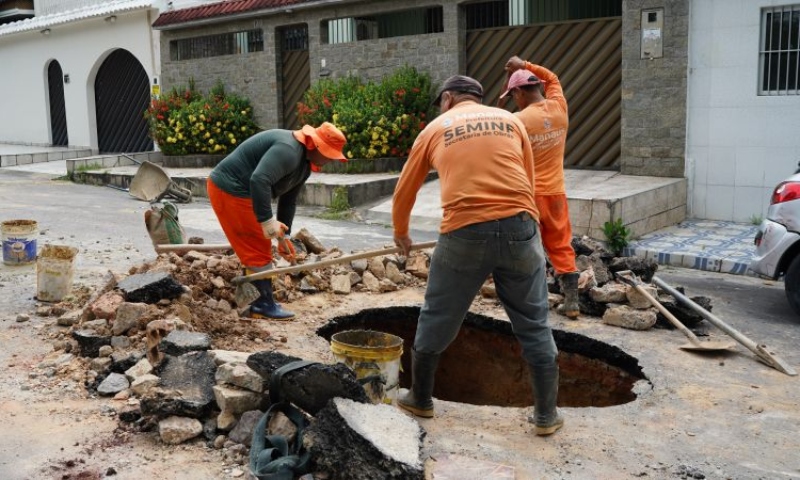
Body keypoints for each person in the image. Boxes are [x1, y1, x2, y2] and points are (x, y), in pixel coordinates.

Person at [391, 75, 563, 435]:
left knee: (438, 314)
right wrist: (527, 227)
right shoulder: (512, 121)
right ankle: (546, 415)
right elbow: (529, 180)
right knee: (533, 322)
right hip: (520, 226)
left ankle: (420, 398)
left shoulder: (435, 128)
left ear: (448, 99)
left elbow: (405, 190)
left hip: (464, 231)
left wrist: (401, 233)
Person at [207, 122, 347, 320]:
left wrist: (284, 237)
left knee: (257, 245)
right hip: (231, 188)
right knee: (257, 247)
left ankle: (254, 301)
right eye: (329, 154)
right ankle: (261, 305)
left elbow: (288, 200)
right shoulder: (289, 151)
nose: (330, 160)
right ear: (316, 146)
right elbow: (259, 180)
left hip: (243, 191)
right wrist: (266, 221)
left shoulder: (303, 166)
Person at [499, 57, 580, 319]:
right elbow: (552, 78)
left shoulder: (517, 120)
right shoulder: (559, 106)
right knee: (560, 243)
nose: (514, 101)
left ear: (519, 92)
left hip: (528, 196)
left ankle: (529, 301)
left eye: (513, 96)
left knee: (525, 247)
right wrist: (524, 64)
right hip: (556, 192)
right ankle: (572, 301)